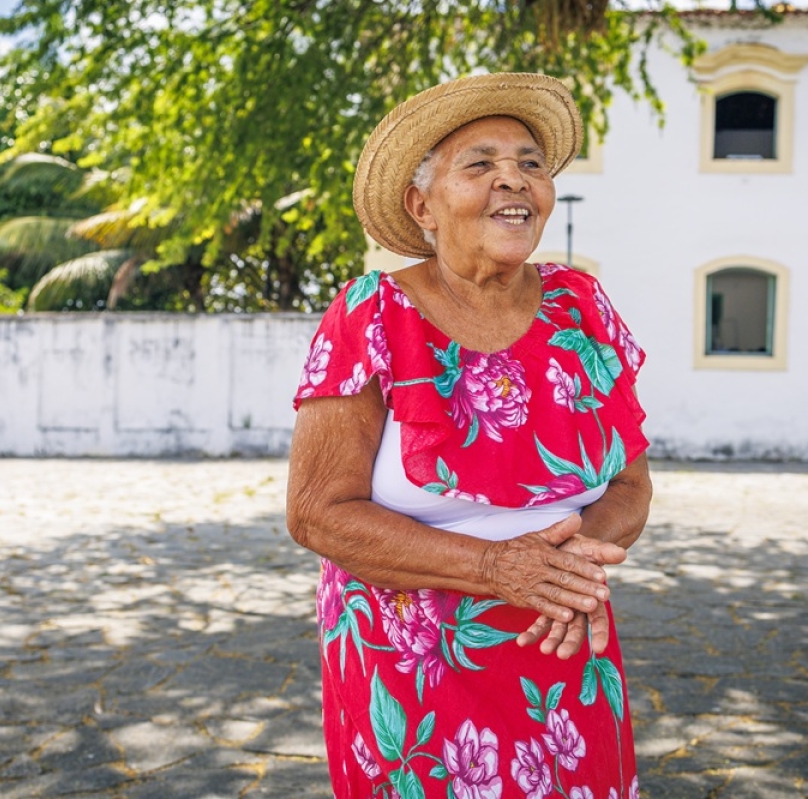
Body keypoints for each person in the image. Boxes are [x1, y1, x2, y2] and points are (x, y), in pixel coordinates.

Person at [287, 72, 652, 799]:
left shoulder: (581, 307)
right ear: (421, 204)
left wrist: (568, 568)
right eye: (480, 164)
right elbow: (316, 512)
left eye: (529, 163)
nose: (512, 181)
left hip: (562, 638)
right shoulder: (373, 315)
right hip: (412, 658)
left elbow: (631, 485)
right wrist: (496, 569)